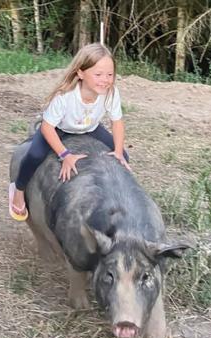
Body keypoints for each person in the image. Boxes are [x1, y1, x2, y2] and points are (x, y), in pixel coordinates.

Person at [9, 42, 131, 221]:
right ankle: (18, 190)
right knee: (34, 155)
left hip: (90, 128)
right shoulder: (65, 95)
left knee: (124, 158)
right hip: (58, 128)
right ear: (80, 73)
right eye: (98, 74)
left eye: (110, 74)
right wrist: (65, 154)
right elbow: (47, 127)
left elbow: (117, 121)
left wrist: (119, 151)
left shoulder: (111, 93)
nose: (105, 80)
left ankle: (111, 202)